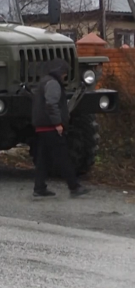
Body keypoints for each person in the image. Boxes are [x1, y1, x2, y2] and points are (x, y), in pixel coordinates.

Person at [31, 58, 89, 197]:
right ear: (60, 72)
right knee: (63, 157)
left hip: (42, 126)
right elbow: (52, 105)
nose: (65, 76)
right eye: (64, 73)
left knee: (43, 159)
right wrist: (57, 123)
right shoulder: (53, 84)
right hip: (50, 126)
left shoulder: (44, 81)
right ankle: (74, 187)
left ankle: (39, 187)